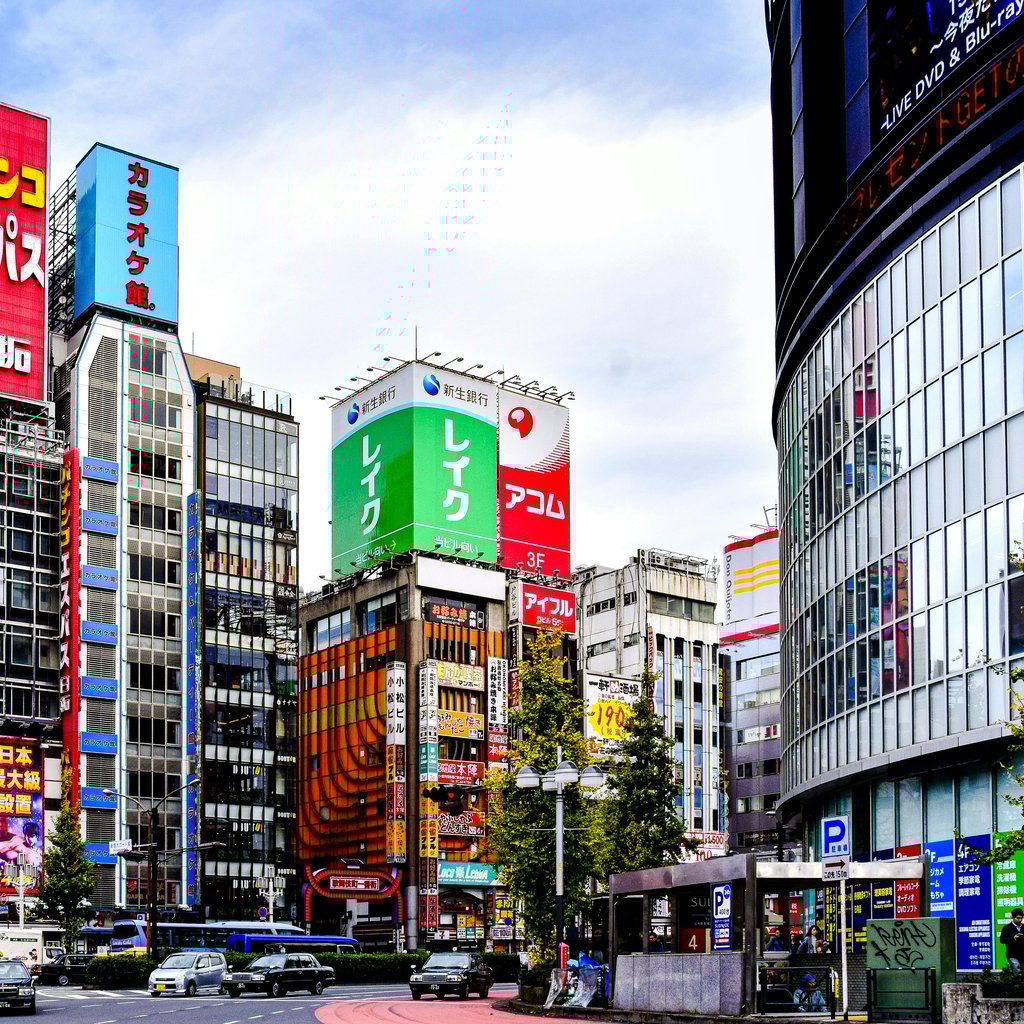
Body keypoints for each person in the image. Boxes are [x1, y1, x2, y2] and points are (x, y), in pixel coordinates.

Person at [1000, 907, 1024, 972]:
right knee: (1017, 970)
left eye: (1021, 918)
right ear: (1013, 917)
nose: (1020, 920)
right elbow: (1002, 940)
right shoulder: (1007, 928)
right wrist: (1014, 938)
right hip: (1012, 954)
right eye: (1018, 918)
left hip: (1022, 953)